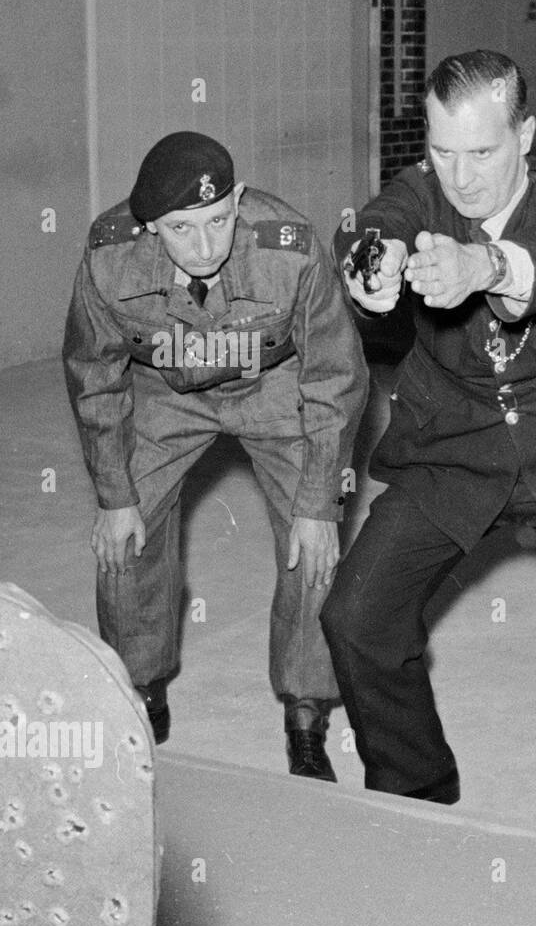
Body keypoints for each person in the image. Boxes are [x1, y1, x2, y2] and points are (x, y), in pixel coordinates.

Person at [321, 50, 536, 842]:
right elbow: (380, 218)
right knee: (354, 616)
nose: (461, 176)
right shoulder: (423, 188)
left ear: (526, 134)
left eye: (482, 152)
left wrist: (483, 263)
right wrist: (369, 264)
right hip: (454, 445)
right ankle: (415, 793)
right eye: (443, 152)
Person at [63, 131, 368, 779]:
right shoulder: (110, 259)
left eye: (219, 220)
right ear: (149, 227)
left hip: (274, 383)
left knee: (314, 544)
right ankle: (140, 685)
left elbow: (335, 376)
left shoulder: (288, 247)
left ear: (238, 200)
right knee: (126, 530)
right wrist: (115, 496)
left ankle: (307, 705)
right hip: (167, 391)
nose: (205, 246)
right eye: (181, 228)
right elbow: (96, 375)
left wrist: (319, 503)